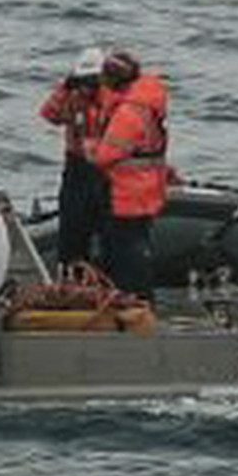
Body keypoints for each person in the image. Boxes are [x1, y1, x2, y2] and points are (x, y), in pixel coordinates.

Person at [85, 48, 171, 301]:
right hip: (147, 188)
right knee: (136, 245)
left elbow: (106, 156)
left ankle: (134, 299)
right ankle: (137, 297)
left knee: (125, 251)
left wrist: (90, 149)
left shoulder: (129, 113)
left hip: (127, 192)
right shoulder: (149, 104)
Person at [39, 47, 112, 269]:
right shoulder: (72, 96)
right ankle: (72, 277)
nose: (88, 86)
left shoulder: (113, 98)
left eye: (93, 80)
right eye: (84, 80)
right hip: (77, 170)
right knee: (72, 231)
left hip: (107, 171)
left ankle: (105, 277)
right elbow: (50, 114)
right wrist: (65, 87)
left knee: (108, 232)